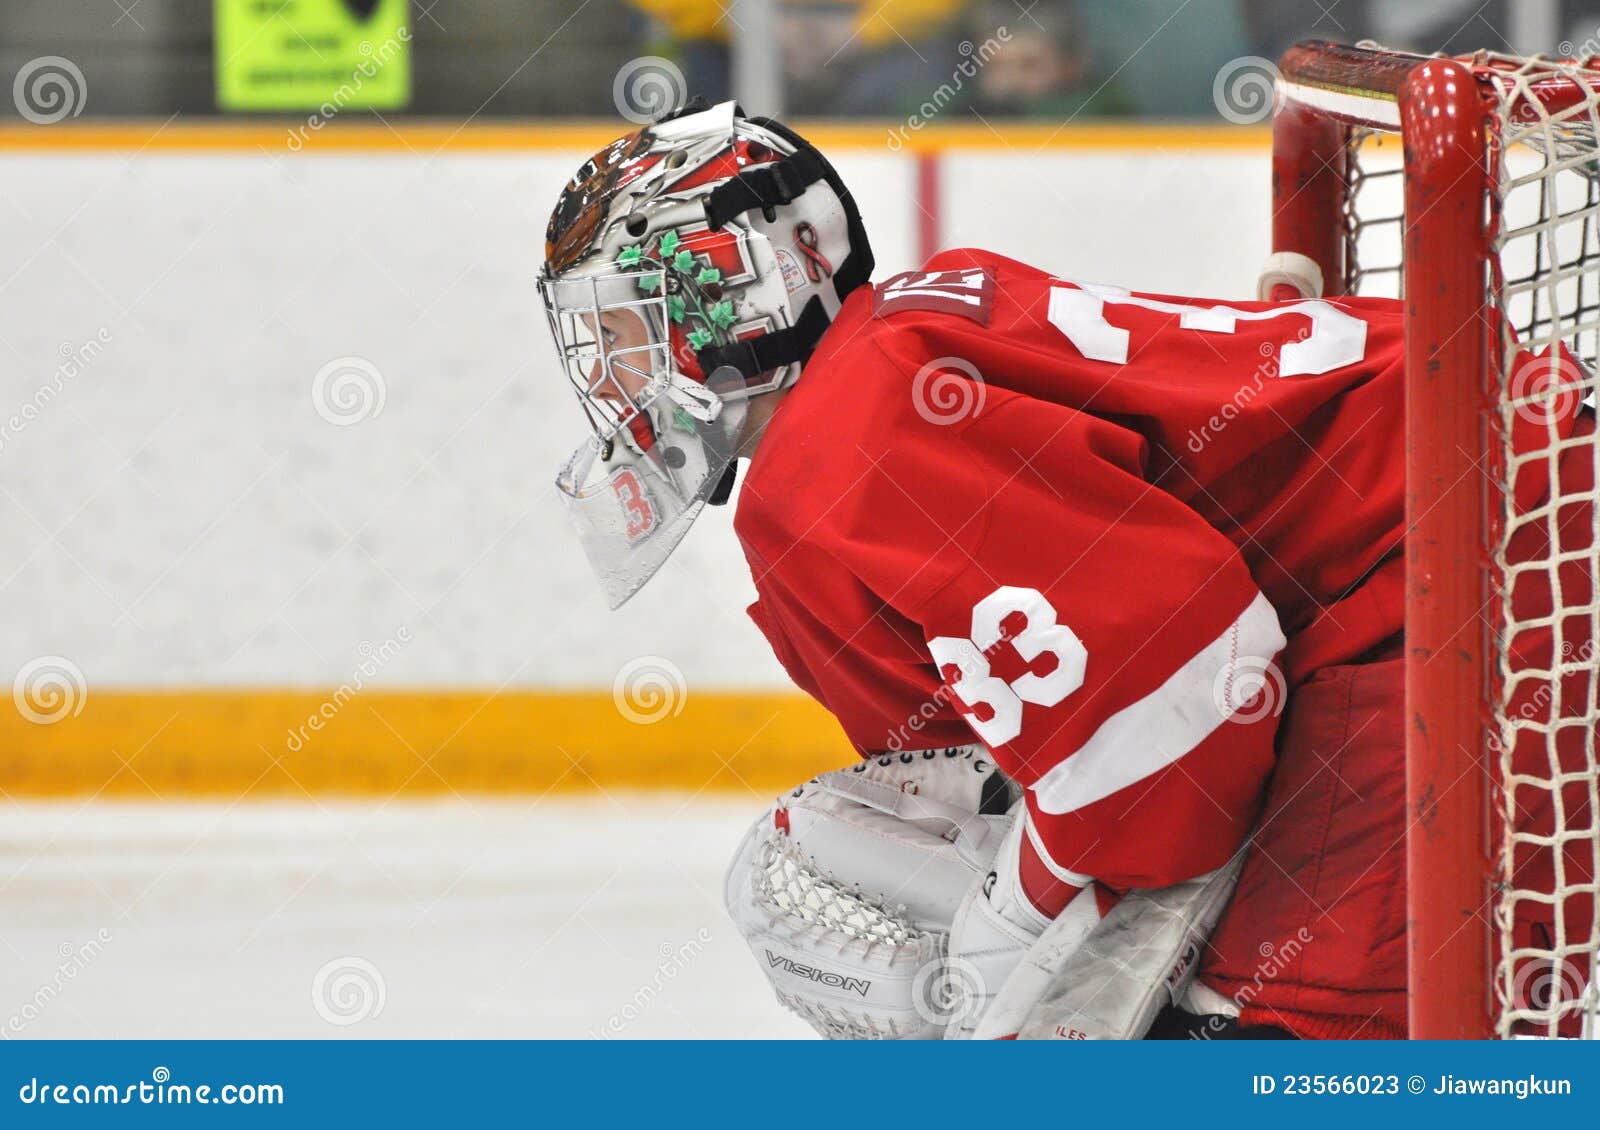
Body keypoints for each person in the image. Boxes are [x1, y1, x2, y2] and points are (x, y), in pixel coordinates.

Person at [536, 100, 1596, 1039]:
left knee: (1274, 1041)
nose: (619, 384)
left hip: (1487, 558)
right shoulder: (901, 335)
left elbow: (1192, 689)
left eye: (627, 336)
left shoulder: (838, 448)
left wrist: (1017, 911)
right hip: (1490, 520)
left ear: (740, 291)